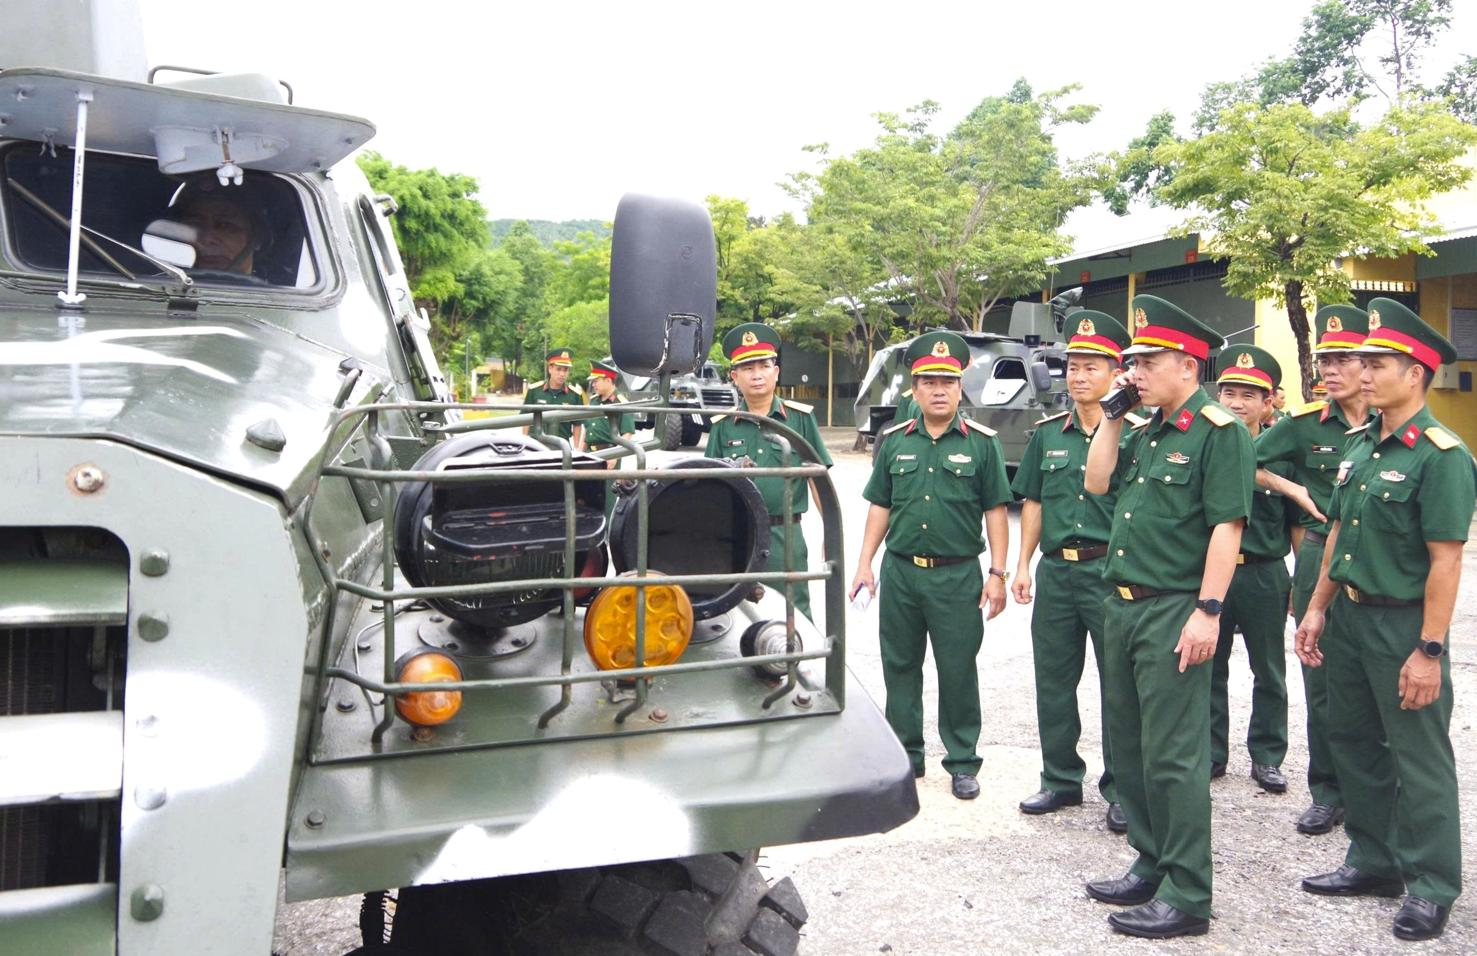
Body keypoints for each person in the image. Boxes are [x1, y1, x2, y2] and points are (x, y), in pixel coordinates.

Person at [1295, 297, 1474, 942]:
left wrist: (1429, 649)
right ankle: (1374, 860)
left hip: (1403, 626)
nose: (1362, 374)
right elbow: (1338, 533)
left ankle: (1431, 884)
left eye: (1377, 364)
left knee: (1418, 756)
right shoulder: (1361, 445)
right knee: (1352, 741)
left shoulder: (1441, 455)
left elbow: (1446, 559)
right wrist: (1317, 609)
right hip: (1348, 617)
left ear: (1416, 374)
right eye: (1362, 363)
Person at [1081, 295, 1254, 940]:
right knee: (1130, 747)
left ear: (1187, 364)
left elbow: (1227, 527)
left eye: (1148, 362)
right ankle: (1151, 861)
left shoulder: (1218, 431)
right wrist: (1113, 416)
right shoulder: (1149, 429)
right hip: (1124, 606)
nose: (1135, 373)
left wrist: (1208, 611)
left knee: (1175, 756)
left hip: (1175, 608)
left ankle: (1187, 892)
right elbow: (1097, 482)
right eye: (1133, 363)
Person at [850, 331, 1012, 801]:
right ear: (915, 390)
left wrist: (997, 574)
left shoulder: (983, 444)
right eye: (929, 382)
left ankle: (962, 761)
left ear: (960, 389)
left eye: (948, 381)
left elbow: (996, 511)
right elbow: (880, 506)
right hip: (901, 572)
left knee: (957, 669)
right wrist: (865, 564)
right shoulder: (894, 442)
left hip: (957, 576)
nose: (939, 390)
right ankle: (905, 756)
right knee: (900, 667)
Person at [1010, 311, 1138, 833]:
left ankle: (1122, 788)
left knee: (1119, 685)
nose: (1079, 376)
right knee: (1054, 680)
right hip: (1057, 575)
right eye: (1074, 367)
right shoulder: (1048, 435)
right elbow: (1034, 502)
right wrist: (1022, 564)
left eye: (1092, 367)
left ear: (1116, 373)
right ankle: (1060, 779)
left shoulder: (1136, 435)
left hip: (1109, 573)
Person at [1253, 304, 1373, 835]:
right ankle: (1328, 792)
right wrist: (1291, 487)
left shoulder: (1392, 423)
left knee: (1377, 681)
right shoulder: (1303, 427)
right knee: (1319, 679)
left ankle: (1376, 794)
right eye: (1325, 359)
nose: (1330, 368)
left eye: (1343, 358)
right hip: (1318, 554)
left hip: (1379, 561)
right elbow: (1241, 459)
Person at [1208, 345, 1299, 795]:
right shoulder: (1206, 445)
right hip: (1213, 575)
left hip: (1264, 572)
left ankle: (1267, 755)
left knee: (1269, 669)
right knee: (1209, 665)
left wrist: (1300, 583)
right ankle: (1211, 751)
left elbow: (1297, 522)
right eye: (1229, 392)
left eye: (1249, 395)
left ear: (1269, 404)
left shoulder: (1285, 455)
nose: (1237, 403)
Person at [704, 323, 833, 620]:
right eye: (748, 368)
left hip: (784, 533)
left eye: (764, 366)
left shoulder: (800, 419)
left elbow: (818, 480)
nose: (757, 374)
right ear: (735, 377)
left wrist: (830, 532)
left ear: (776, 372)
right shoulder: (722, 426)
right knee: (735, 612)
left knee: (794, 611)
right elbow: (711, 487)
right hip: (737, 534)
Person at [174, 188, 262, 275]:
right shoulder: (165, 280)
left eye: (225, 226)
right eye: (194, 225)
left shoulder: (269, 284)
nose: (207, 239)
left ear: (257, 238)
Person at [522, 348, 585, 448]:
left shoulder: (575, 395)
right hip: (536, 445)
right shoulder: (534, 391)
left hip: (561, 446)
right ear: (550, 369)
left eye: (565, 370)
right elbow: (525, 419)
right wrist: (524, 443)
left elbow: (577, 425)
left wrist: (576, 449)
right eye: (558, 369)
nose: (562, 374)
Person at [584, 360, 634, 464]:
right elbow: (586, 429)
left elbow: (627, 434)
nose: (593, 385)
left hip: (609, 454)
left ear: (608, 380)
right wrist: (580, 452)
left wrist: (615, 455)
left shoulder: (622, 403)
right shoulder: (593, 400)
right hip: (589, 454)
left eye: (596, 381)